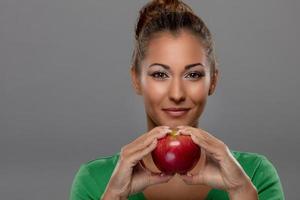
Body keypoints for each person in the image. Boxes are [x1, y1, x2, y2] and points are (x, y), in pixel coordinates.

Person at [69, 0, 285, 199]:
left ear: (213, 81)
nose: (177, 94)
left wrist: (241, 190)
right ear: (136, 79)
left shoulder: (255, 175)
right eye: (160, 74)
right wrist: (114, 194)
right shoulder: (94, 181)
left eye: (193, 75)